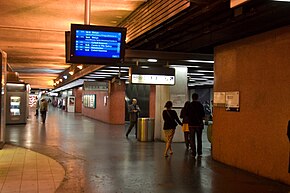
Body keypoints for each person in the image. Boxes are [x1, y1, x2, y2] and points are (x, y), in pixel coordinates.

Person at [187, 93, 205, 157]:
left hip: (191, 125)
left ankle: (193, 152)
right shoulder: (200, 105)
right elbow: (203, 115)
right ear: (197, 97)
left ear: (192, 97)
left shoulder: (189, 105)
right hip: (199, 124)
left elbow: (187, 114)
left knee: (192, 139)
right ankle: (199, 152)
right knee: (199, 138)